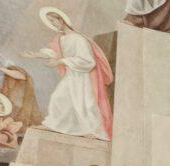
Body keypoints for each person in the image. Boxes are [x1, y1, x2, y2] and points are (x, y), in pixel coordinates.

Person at [22, 7, 113, 141]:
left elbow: (88, 61)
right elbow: (52, 51)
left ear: (62, 20)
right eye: (50, 22)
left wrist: (61, 61)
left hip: (83, 78)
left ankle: (93, 130)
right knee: (59, 98)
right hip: (72, 75)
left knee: (85, 104)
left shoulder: (78, 39)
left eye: (53, 21)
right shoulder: (61, 39)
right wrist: (36, 55)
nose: (52, 25)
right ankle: (53, 124)